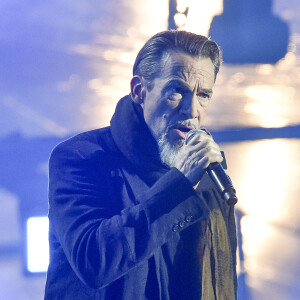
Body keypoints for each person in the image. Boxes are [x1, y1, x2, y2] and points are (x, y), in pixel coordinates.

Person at [44, 30, 237, 300]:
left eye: (203, 95)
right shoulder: (80, 158)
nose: (192, 110)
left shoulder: (204, 175)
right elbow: (93, 262)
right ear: (139, 91)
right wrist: (179, 184)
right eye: (176, 92)